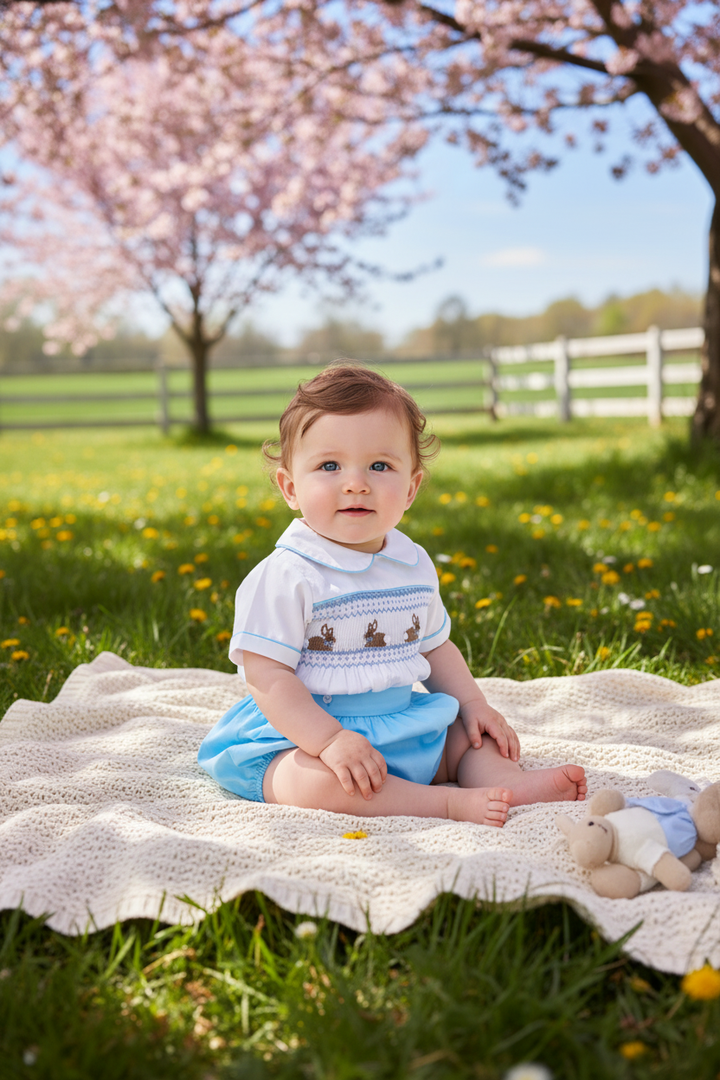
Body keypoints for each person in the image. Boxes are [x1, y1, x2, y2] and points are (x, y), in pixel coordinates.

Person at [198, 362, 587, 826]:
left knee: (470, 737)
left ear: (411, 488)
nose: (356, 483)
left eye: (379, 466)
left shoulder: (412, 563)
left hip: (403, 726)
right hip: (305, 735)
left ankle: (507, 783)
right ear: (290, 488)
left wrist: (474, 705)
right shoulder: (288, 574)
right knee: (314, 783)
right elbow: (267, 676)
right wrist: (329, 741)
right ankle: (444, 804)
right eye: (329, 466)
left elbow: (436, 648)